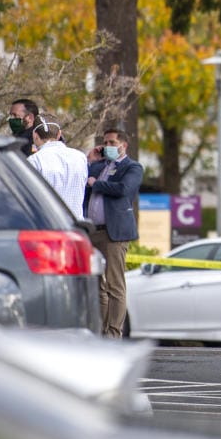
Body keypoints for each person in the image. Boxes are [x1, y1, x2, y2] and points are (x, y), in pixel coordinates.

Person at [84, 128, 143, 338]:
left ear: (123, 145)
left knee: (115, 285)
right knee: (98, 286)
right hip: (94, 232)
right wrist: (89, 160)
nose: (107, 146)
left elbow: (123, 190)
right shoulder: (99, 166)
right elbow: (82, 183)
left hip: (114, 233)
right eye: (105, 143)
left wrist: (96, 184)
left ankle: (113, 333)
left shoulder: (132, 167)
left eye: (111, 142)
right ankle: (101, 332)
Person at [27, 115, 88, 219]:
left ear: (35, 135)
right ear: (59, 134)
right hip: (76, 227)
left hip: (49, 225)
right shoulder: (80, 157)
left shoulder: (34, 160)